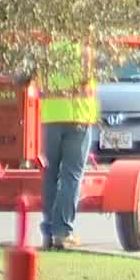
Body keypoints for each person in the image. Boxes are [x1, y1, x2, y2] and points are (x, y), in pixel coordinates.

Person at [37, 36, 99, 250]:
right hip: (78, 118)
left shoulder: (47, 48)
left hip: (50, 118)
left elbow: (40, 84)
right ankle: (62, 232)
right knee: (71, 176)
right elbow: (84, 83)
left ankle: (48, 231)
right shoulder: (83, 48)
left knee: (50, 174)